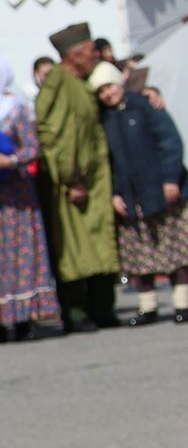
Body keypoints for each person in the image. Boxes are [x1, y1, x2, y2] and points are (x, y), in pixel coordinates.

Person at [89, 62, 188, 325]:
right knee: (140, 254)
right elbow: (109, 162)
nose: (107, 94)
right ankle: (148, 306)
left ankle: (182, 304)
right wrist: (115, 193)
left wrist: (170, 177)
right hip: (133, 195)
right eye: (101, 91)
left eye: (109, 87)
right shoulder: (105, 119)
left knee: (175, 250)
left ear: (118, 83)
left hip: (163, 189)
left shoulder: (143, 105)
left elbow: (170, 141)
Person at [34, 24, 118, 332]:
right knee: (74, 247)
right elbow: (57, 134)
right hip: (73, 183)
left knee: (97, 245)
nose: (97, 55)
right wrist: (72, 179)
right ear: (75, 54)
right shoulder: (58, 82)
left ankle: (101, 308)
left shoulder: (83, 81)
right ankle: (77, 311)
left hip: (93, 180)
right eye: (92, 51)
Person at [0, 60, 59, 340]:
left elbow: (33, 148)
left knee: (20, 253)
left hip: (16, 194)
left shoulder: (16, 109)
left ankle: (23, 319)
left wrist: (10, 160)